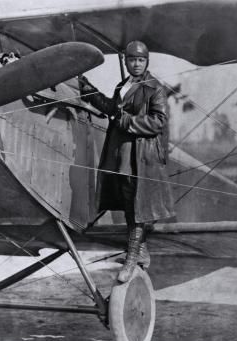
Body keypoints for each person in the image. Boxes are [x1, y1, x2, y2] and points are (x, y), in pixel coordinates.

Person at [79, 41, 175, 283]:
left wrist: (128, 122)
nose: (136, 64)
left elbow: (159, 122)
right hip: (121, 154)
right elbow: (112, 108)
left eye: (141, 60)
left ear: (147, 61)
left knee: (136, 207)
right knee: (129, 204)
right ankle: (141, 251)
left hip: (139, 157)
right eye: (132, 60)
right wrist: (88, 89)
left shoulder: (155, 89)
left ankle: (132, 258)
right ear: (126, 61)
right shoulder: (123, 85)